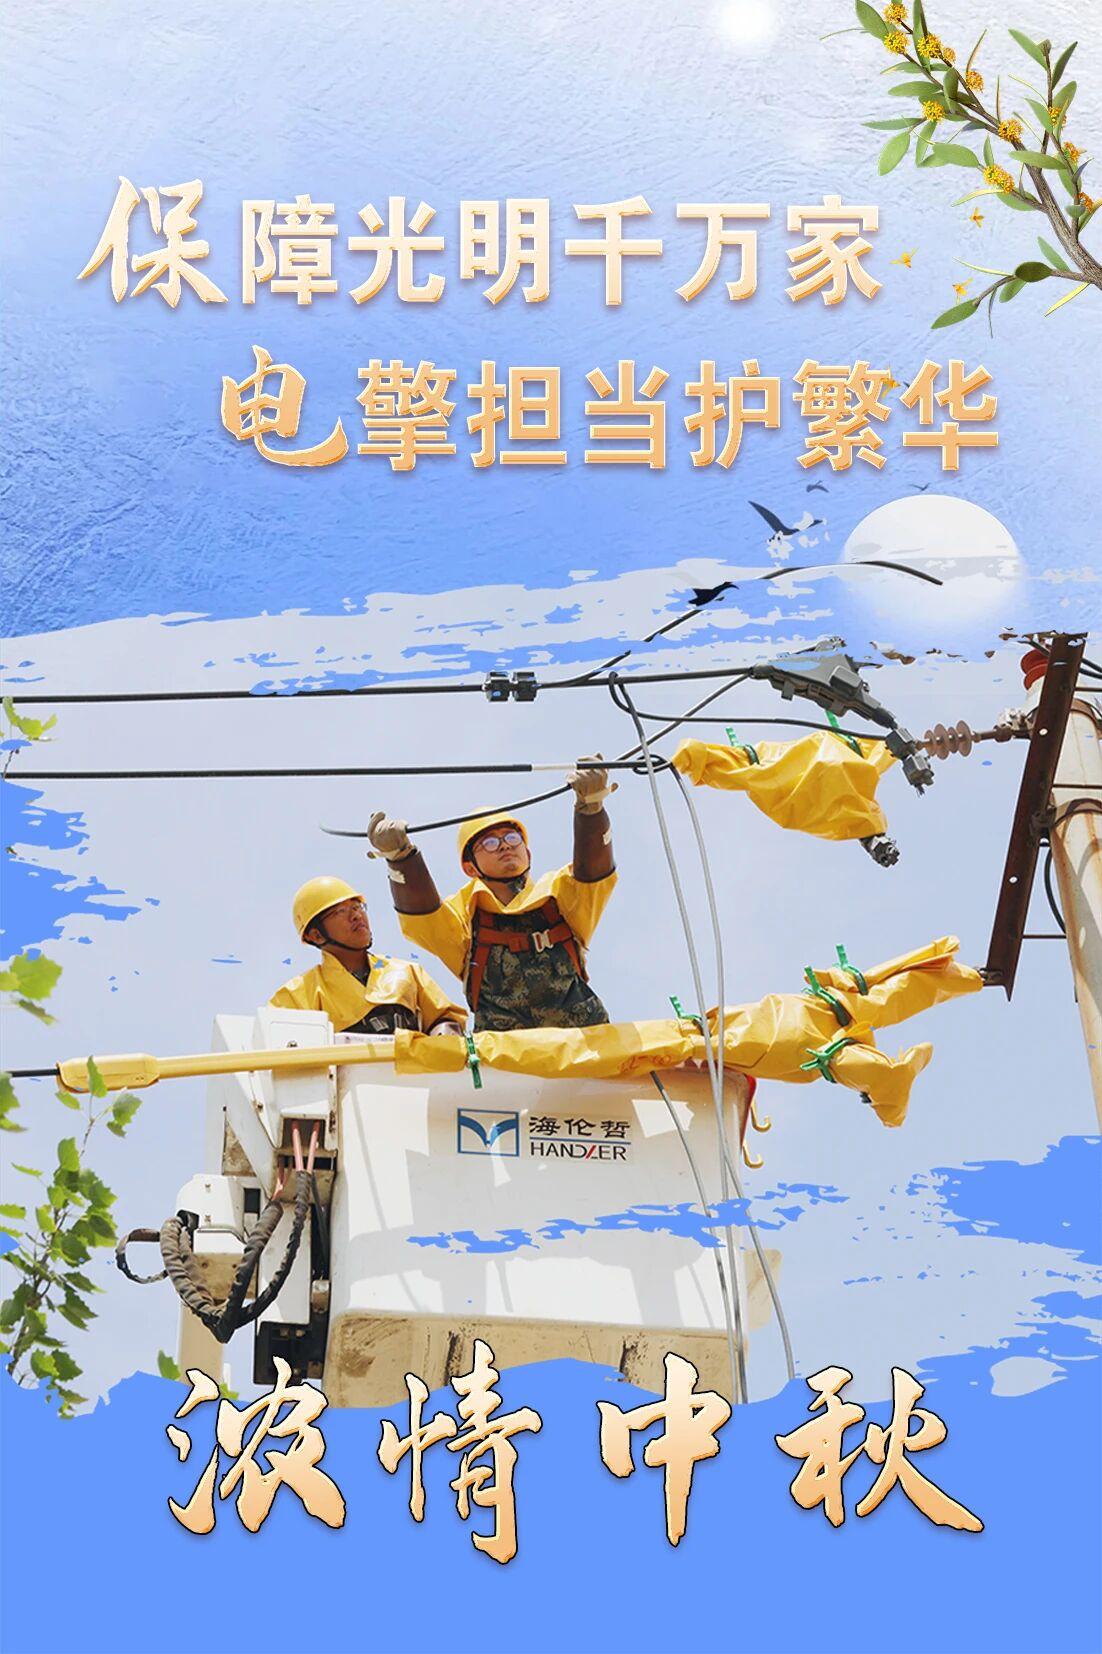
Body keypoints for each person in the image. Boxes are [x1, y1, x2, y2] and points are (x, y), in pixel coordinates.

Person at [365, 758, 617, 1033]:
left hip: (583, 1042)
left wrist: (591, 808)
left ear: (528, 853)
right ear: (470, 867)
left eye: (512, 838)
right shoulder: (466, 914)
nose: (505, 847)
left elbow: (594, 874)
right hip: (506, 1051)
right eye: (490, 842)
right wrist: (401, 859)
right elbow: (425, 917)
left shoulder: (558, 895)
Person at [271, 876, 466, 1037]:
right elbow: (280, 1049)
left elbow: (446, 1019)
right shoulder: (297, 996)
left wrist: (444, 1036)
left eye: (357, 907)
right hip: (347, 1073)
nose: (356, 916)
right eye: (340, 911)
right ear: (316, 935)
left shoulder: (406, 972)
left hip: (413, 1071)